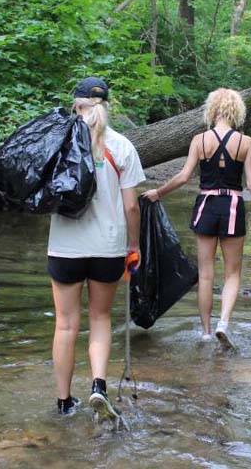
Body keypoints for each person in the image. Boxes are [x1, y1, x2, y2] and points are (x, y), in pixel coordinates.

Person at [143, 88, 251, 349]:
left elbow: (183, 177)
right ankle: (224, 323)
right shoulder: (245, 142)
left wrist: (157, 192)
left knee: (206, 274)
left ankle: (205, 331)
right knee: (232, 273)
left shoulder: (199, 140)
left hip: (206, 205)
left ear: (211, 109)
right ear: (237, 111)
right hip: (233, 205)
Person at [47, 77, 145, 417]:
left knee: (65, 325)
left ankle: (63, 402)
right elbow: (132, 207)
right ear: (106, 105)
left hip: (64, 248)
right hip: (108, 249)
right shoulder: (122, 147)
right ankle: (98, 386)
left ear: (76, 105)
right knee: (100, 317)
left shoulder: (59, 144)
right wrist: (134, 245)